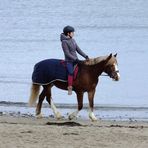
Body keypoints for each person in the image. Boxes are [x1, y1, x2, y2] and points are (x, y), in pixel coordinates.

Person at [60, 25, 89, 95]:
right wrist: (75, 59)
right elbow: (67, 53)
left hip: (76, 60)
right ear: (68, 33)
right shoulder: (64, 42)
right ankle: (69, 87)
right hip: (69, 61)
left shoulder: (73, 40)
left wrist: (85, 56)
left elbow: (78, 50)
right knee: (70, 72)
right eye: (72, 32)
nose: (73, 33)